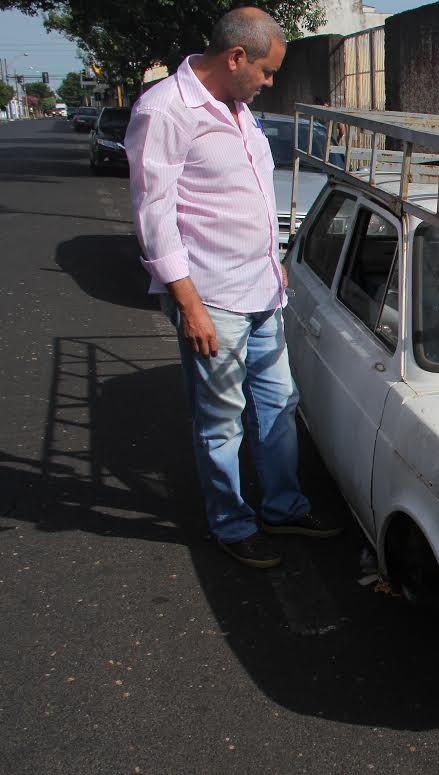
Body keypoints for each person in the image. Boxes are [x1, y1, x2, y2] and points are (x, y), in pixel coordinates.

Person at [125, 6, 340, 569]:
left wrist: (274, 259)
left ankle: (283, 507)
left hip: (265, 290)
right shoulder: (166, 110)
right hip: (213, 298)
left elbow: (247, 197)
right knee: (220, 421)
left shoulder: (239, 108)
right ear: (235, 56)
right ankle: (232, 522)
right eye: (267, 71)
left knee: (278, 404)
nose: (270, 82)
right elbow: (154, 213)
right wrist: (187, 303)